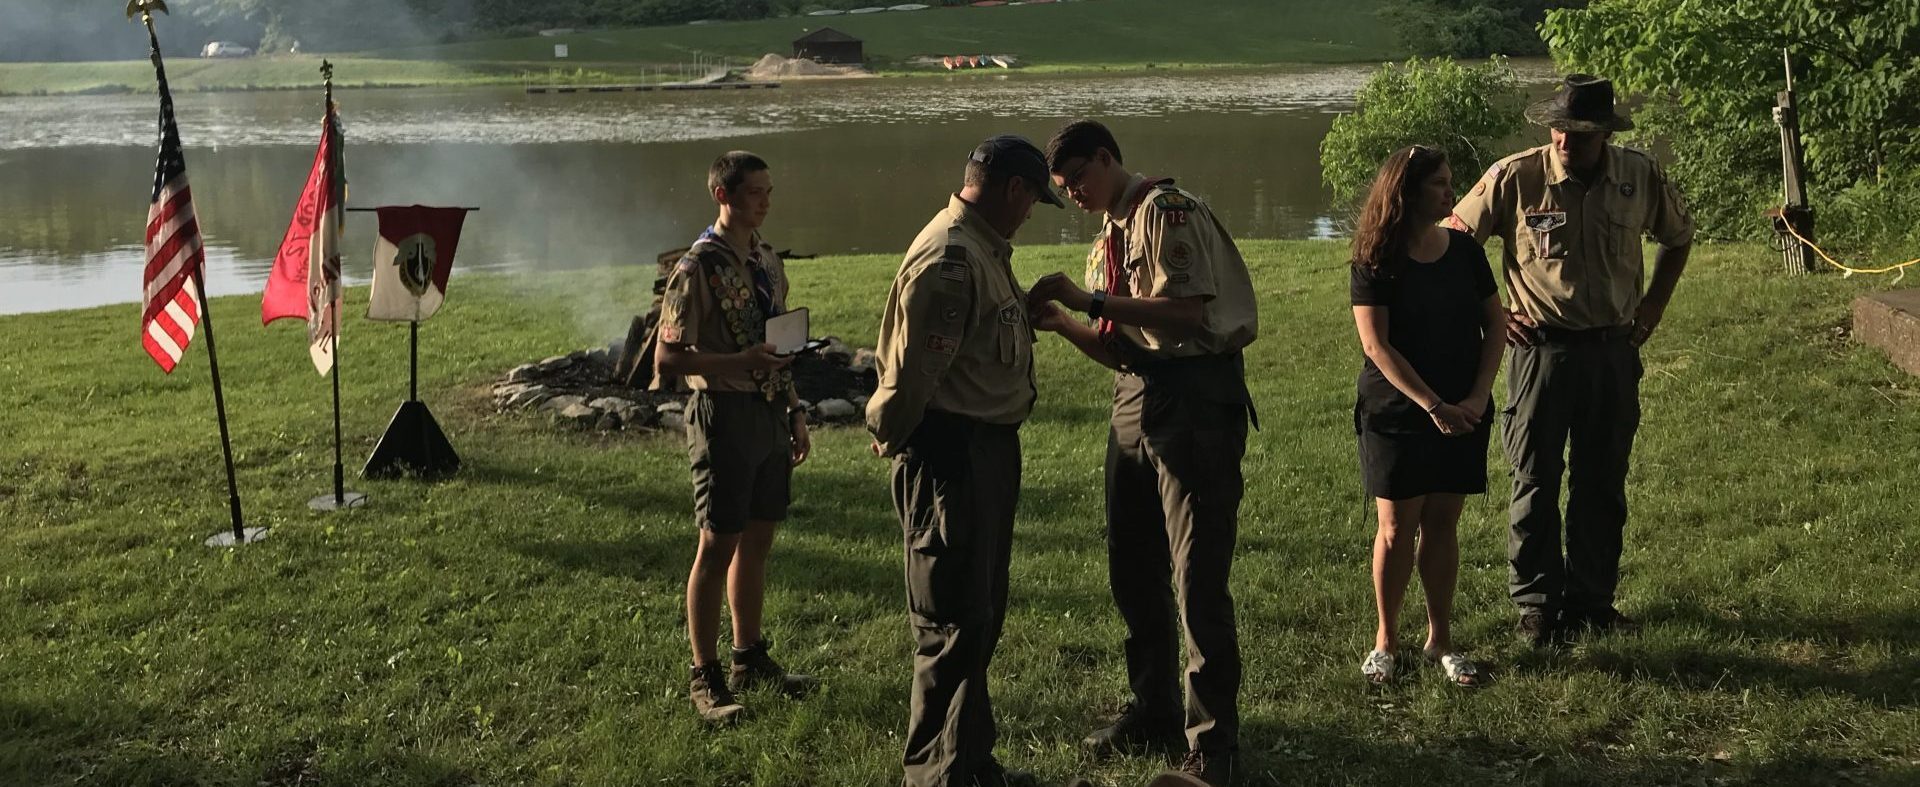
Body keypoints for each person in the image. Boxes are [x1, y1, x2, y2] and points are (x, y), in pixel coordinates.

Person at [1027, 119, 1258, 786]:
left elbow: (1183, 312)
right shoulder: (1110, 233)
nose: (1072, 193)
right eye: (1064, 186)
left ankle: (1213, 746)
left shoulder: (1165, 211)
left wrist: (1086, 294)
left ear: (1107, 158)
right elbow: (1120, 340)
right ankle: (1154, 704)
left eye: (1079, 178)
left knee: (1197, 577)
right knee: (1132, 565)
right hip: (1136, 399)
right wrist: (1069, 323)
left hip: (1193, 403)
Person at [1447, 74, 1695, 646]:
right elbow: (1451, 241)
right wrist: (1490, 313)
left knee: (1602, 481)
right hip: (1540, 351)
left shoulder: (1638, 174)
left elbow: (1678, 237)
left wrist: (1652, 308)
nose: (1565, 141)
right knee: (1534, 478)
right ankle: (1536, 606)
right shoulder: (1514, 176)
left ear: (1605, 134)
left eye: (1580, 133)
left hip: (1612, 350)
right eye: (1559, 128)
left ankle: (1592, 600)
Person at [865, 134, 1063, 787]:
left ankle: (970, 761)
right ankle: (936, 773)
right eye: (1034, 199)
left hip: (981, 453)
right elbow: (917, 373)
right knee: (952, 621)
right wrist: (892, 430)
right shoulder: (953, 256)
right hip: (953, 457)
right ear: (1012, 189)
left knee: (976, 615)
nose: (1032, 212)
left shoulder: (980, 246)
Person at [654, 151, 816, 724]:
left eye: (769, 191)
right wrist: (737, 360)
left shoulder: (768, 260)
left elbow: (779, 344)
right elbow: (668, 356)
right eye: (755, 192)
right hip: (722, 414)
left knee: (758, 540)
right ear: (723, 195)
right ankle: (706, 675)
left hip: (771, 412)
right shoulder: (697, 267)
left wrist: (795, 410)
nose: (766, 202)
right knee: (716, 545)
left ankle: (749, 656)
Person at [1348, 145, 1504, 687]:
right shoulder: (1374, 258)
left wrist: (1478, 397)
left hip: (1463, 410)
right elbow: (1377, 346)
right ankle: (1386, 641)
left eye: (1448, 182)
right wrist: (1431, 405)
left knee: (1443, 523)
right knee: (1395, 528)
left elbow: (1496, 324)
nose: (1449, 192)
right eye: (1439, 184)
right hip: (1398, 412)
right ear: (1407, 192)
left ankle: (1441, 639)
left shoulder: (1464, 250)